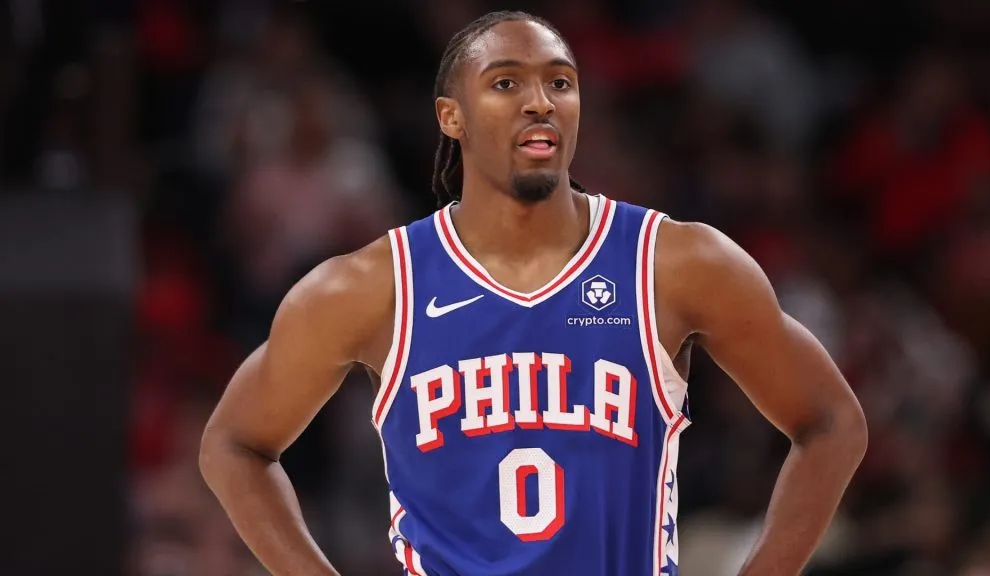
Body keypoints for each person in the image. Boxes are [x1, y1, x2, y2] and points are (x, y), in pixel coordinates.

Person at [199, 10, 868, 576]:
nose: (540, 100)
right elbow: (232, 445)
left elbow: (832, 422)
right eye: (506, 82)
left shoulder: (674, 262)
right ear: (451, 117)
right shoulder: (373, 285)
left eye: (560, 82)